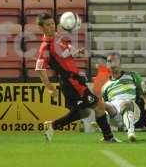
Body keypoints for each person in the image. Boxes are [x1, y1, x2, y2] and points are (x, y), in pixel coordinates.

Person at [35, 13, 118, 143]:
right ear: (41, 28)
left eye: (52, 23)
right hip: (71, 82)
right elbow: (40, 69)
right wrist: (50, 88)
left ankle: (53, 126)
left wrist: (77, 52)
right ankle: (109, 137)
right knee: (98, 107)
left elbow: (68, 52)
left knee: (83, 112)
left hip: (75, 80)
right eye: (48, 24)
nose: (51, 26)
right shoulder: (45, 46)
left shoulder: (58, 38)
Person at [99, 52, 146, 142]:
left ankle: (131, 133)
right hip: (115, 115)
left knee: (126, 103)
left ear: (120, 63)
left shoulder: (133, 76)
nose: (112, 63)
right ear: (107, 65)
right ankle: (108, 135)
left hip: (131, 109)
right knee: (100, 104)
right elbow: (104, 107)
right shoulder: (105, 86)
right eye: (109, 61)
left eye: (115, 60)